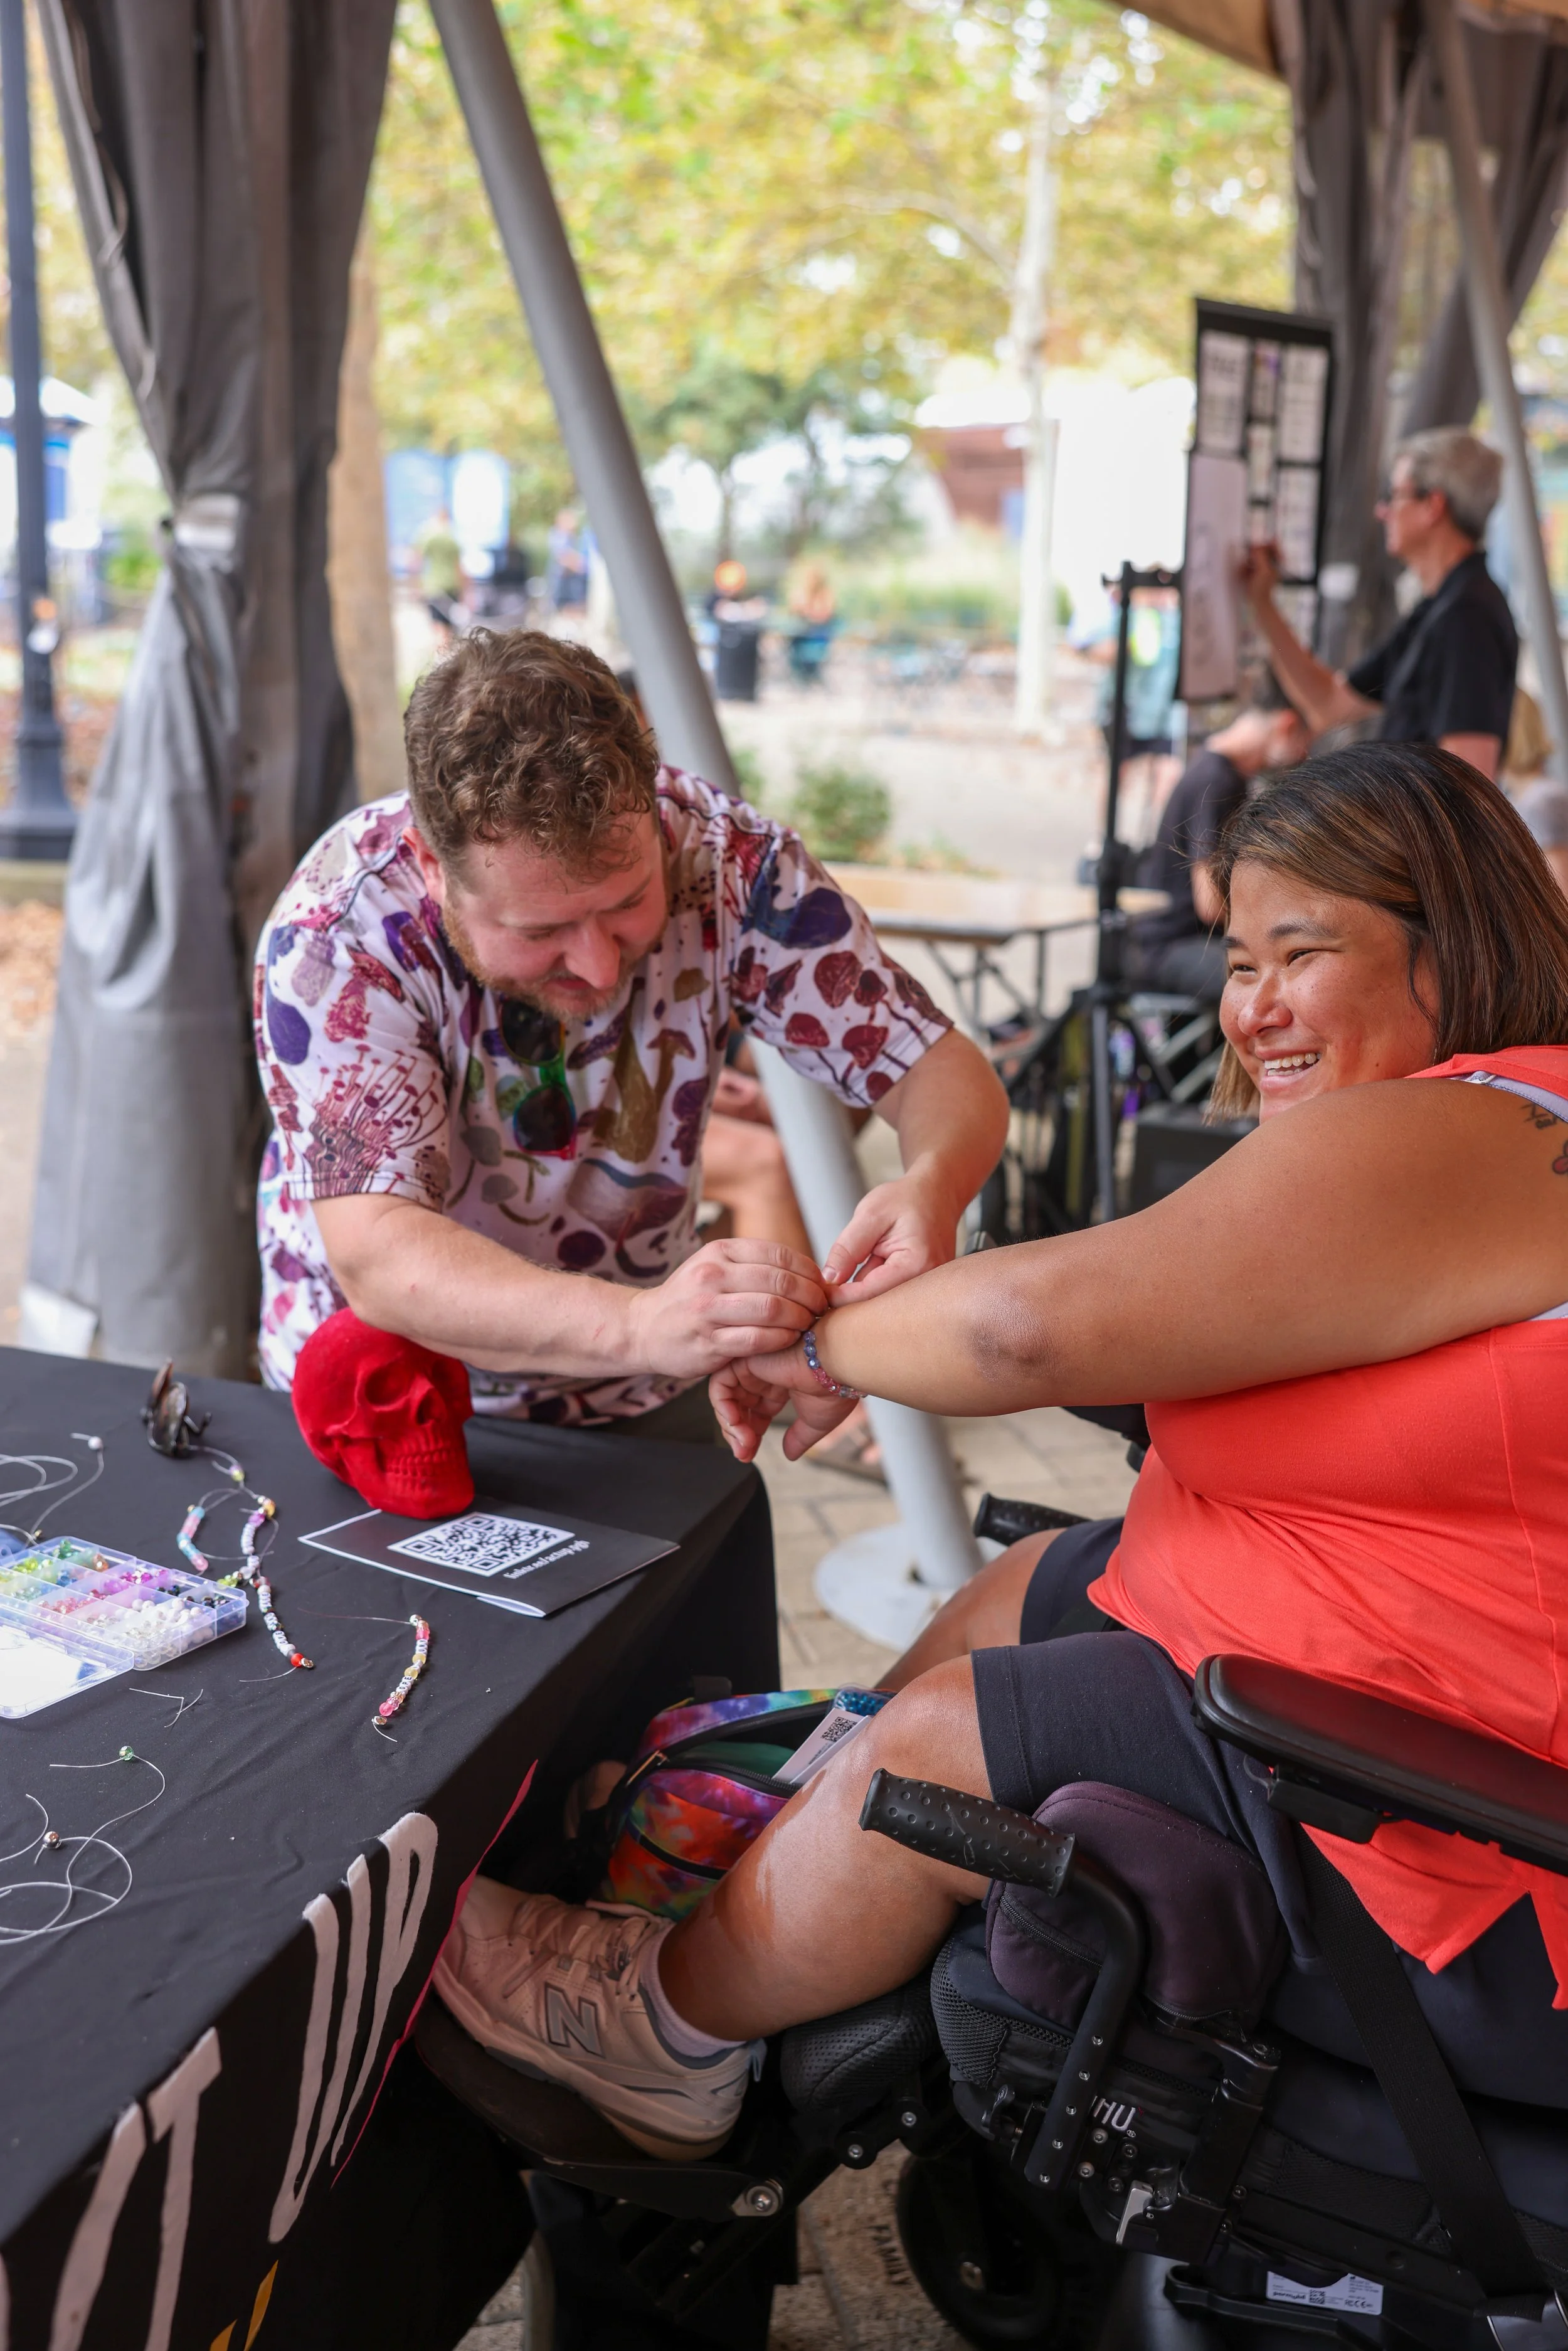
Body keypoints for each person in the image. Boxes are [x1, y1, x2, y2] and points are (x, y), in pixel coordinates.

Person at [433, 742, 1568, 2158]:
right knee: (1014, 1585)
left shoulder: (1468, 1130)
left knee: (940, 1743)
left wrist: (808, 1341)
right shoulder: (1497, 1127)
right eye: (1237, 959)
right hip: (1400, 1675)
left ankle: (659, 2028)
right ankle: (761, 1884)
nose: (1253, 1006)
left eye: (1302, 951)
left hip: (1478, 1852)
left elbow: (1029, 1331)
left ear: (1449, 945)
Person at [253, 628, 1007, 1432]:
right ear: (433, 869)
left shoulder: (732, 865)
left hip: (639, 1386)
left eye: (625, 902)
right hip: (385, 1394)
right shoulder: (338, 936)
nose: (601, 968)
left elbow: (937, 1067)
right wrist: (644, 1324)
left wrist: (933, 1187)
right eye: (543, 929)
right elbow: (381, 1255)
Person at [1242, 427, 1517, 780]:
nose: (1382, 511)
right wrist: (1262, 603)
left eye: (1395, 495)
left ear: (1433, 506)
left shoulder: (1467, 616)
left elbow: (1471, 776)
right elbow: (1327, 704)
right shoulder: (1438, 608)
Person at [1127, 671, 1309, 999]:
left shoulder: (1224, 773)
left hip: (1179, 941)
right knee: (1280, 981)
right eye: (1304, 745)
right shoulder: (1216, 779)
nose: (1302, 757)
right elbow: (1210, 904)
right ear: (1287, 725)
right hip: (1169, 945)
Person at [546, 508, 589, 612]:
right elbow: (564, 557)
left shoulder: (573, 538)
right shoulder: (558, 536)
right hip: (562, 584)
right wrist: (580, 564)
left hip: (571, 583)